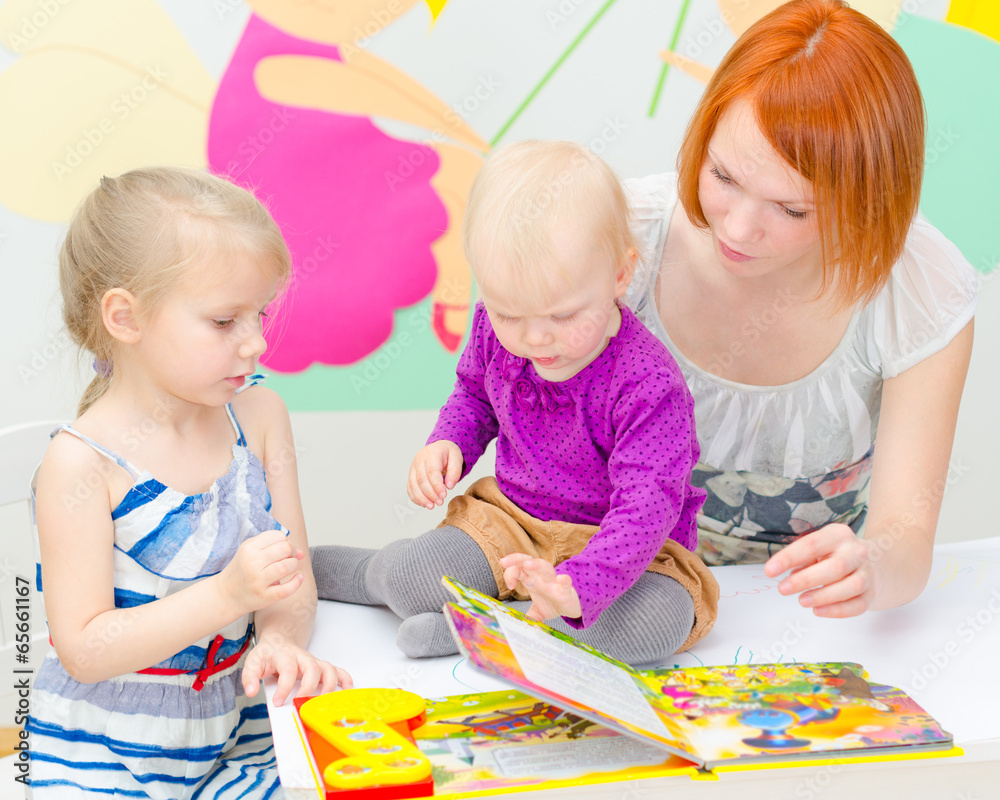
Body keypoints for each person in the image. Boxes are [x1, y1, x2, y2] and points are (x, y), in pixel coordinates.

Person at [625, 0, 977, 618]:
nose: (735, 227)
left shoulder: (915, 288)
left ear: (867, 200)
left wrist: (873, 568)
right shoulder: (625, 240)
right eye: (723, 176)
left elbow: (905, 539)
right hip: (612, 596)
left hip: (793, 632)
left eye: (791, 210)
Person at [312, 140, 718, 664]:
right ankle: (374, 574)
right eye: (509, 314)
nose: (534, 340)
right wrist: (448, 442)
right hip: (515, 521)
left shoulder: (648, 384)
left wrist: (580, 586)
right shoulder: (494, 329)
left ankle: (487, 634)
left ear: (620, 275)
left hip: (624, 548)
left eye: (563, 317)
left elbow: (647, 506)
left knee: (651, 626)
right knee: (414, 577)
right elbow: (475, 395)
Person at [26, 167, 351, 798]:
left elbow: (293, 578)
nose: (256, 342)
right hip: (103, 762)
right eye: (225, 321)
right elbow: (85, 650)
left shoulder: (258, 418)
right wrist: (227, 598)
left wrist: (279, 641)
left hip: (235, 739)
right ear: (126, 317)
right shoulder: (81, 465)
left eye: (261, 314)